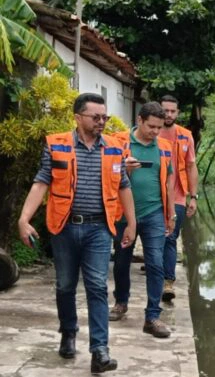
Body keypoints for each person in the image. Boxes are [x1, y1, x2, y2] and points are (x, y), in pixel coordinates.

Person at [17, 93, 136, 374]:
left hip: (99, 229)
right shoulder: (57, 145)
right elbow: (40, 183)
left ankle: (100, 351)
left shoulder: (115, 148)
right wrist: (24, 218)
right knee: (65, 285)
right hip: (65, 227)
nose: (101, 122)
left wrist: (132, 223)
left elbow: (123, 186)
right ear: (78, 117)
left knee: (97, 287)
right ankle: (68, 332)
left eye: (104, 117)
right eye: (95, 117)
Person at [108, 102, 175, 338]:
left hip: (154, 212)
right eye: (151, 127)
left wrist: (171, 214)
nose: (156, 132)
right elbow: (105, 173)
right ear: (139, 120)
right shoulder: (119, 142)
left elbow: (169, 181)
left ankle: (152, 316)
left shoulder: (165, 147)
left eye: (159, 127)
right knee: (122, 260)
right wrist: (122, 169)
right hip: (124, 213)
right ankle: (121, 303)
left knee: (156, 262)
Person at [158, 95, 198, 301]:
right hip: (153, 195)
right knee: (154, 237)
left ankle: (168, 282)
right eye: (165, 110)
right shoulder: (151, 132)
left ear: (178, 113)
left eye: (173, 111)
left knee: (171, 237)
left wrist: (194, 197)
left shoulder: (185, 136)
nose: (169, 114)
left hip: (178, 196)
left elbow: (191, 166)